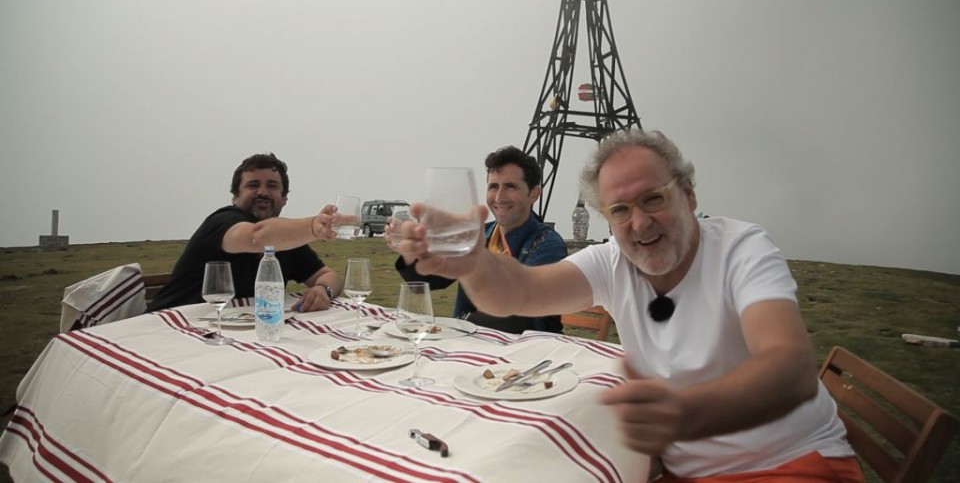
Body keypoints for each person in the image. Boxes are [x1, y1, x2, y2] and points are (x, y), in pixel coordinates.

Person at [394, 130, 863, 482]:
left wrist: (683, 416)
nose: (638, 223)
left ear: (689, 195)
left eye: (652, 199)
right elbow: (518, 292)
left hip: (789, 463)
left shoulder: (741, 249)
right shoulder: (613, 261)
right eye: (619, 210)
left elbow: (789, 366)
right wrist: (473, 261)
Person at [389, 145, 567, 334]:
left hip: (531, 351)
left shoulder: (548, 244)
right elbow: (427, 281)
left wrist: (464, 320)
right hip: (474, 345)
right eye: (493, 186)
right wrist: (412, 252)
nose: (499, 197)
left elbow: (520, 314)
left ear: (534, 194)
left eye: (510, 187)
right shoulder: (481, 234)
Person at [148, 153, 342, 314]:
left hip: (234, 335)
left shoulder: (285, 239)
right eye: (253, 185)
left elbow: (328, 275)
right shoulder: (221, 223)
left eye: (272, 186)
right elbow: (258, 237)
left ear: (284, 199)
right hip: (169, 329)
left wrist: (322, 289)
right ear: (235, 196)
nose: (263, 192)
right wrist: (313, 226)